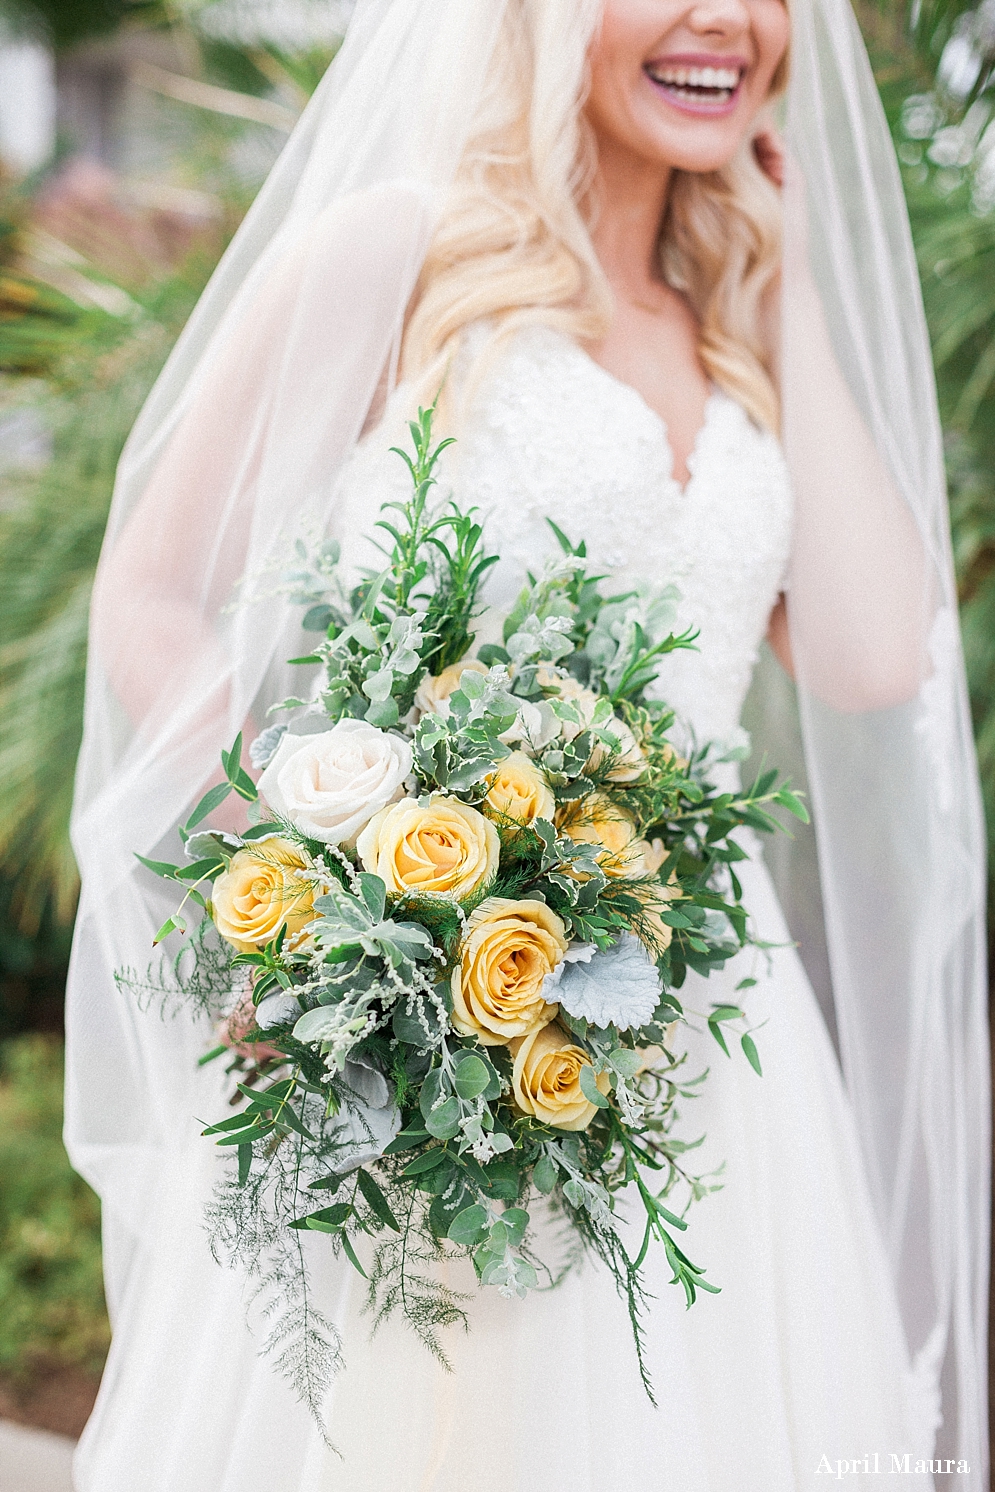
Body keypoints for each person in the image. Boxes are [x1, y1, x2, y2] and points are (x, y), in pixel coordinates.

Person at [64, 2, 989, 1489]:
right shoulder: (400, 254)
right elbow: (154, 594)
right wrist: (335, 871)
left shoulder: (742, 320)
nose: (729, 22)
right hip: (441, 1010)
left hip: (714, 1043)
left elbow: (877, 657)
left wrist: (797, 281)